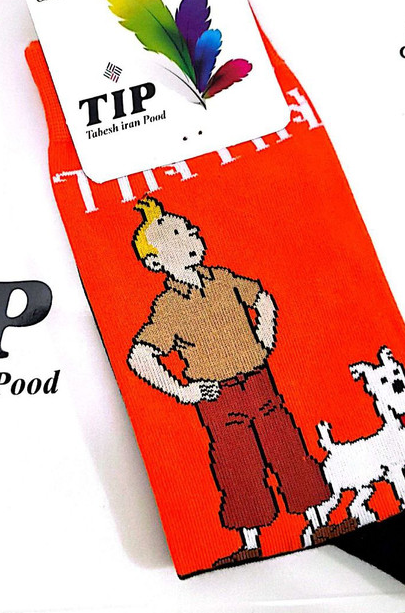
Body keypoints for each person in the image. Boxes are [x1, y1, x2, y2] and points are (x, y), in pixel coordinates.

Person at [127, 197, 351, 567]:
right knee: (237, 464)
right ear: (156, 261)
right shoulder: (168, 306)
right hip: (217, 397)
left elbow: (262, 298)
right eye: (178, 234)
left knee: (287, 448)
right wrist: (182, 391)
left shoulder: (222, 279)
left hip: (260, 382)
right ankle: (250, 542)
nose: (192, 233)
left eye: (188, 229)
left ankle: (318, 523)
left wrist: (265, 336)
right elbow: (140, 355)